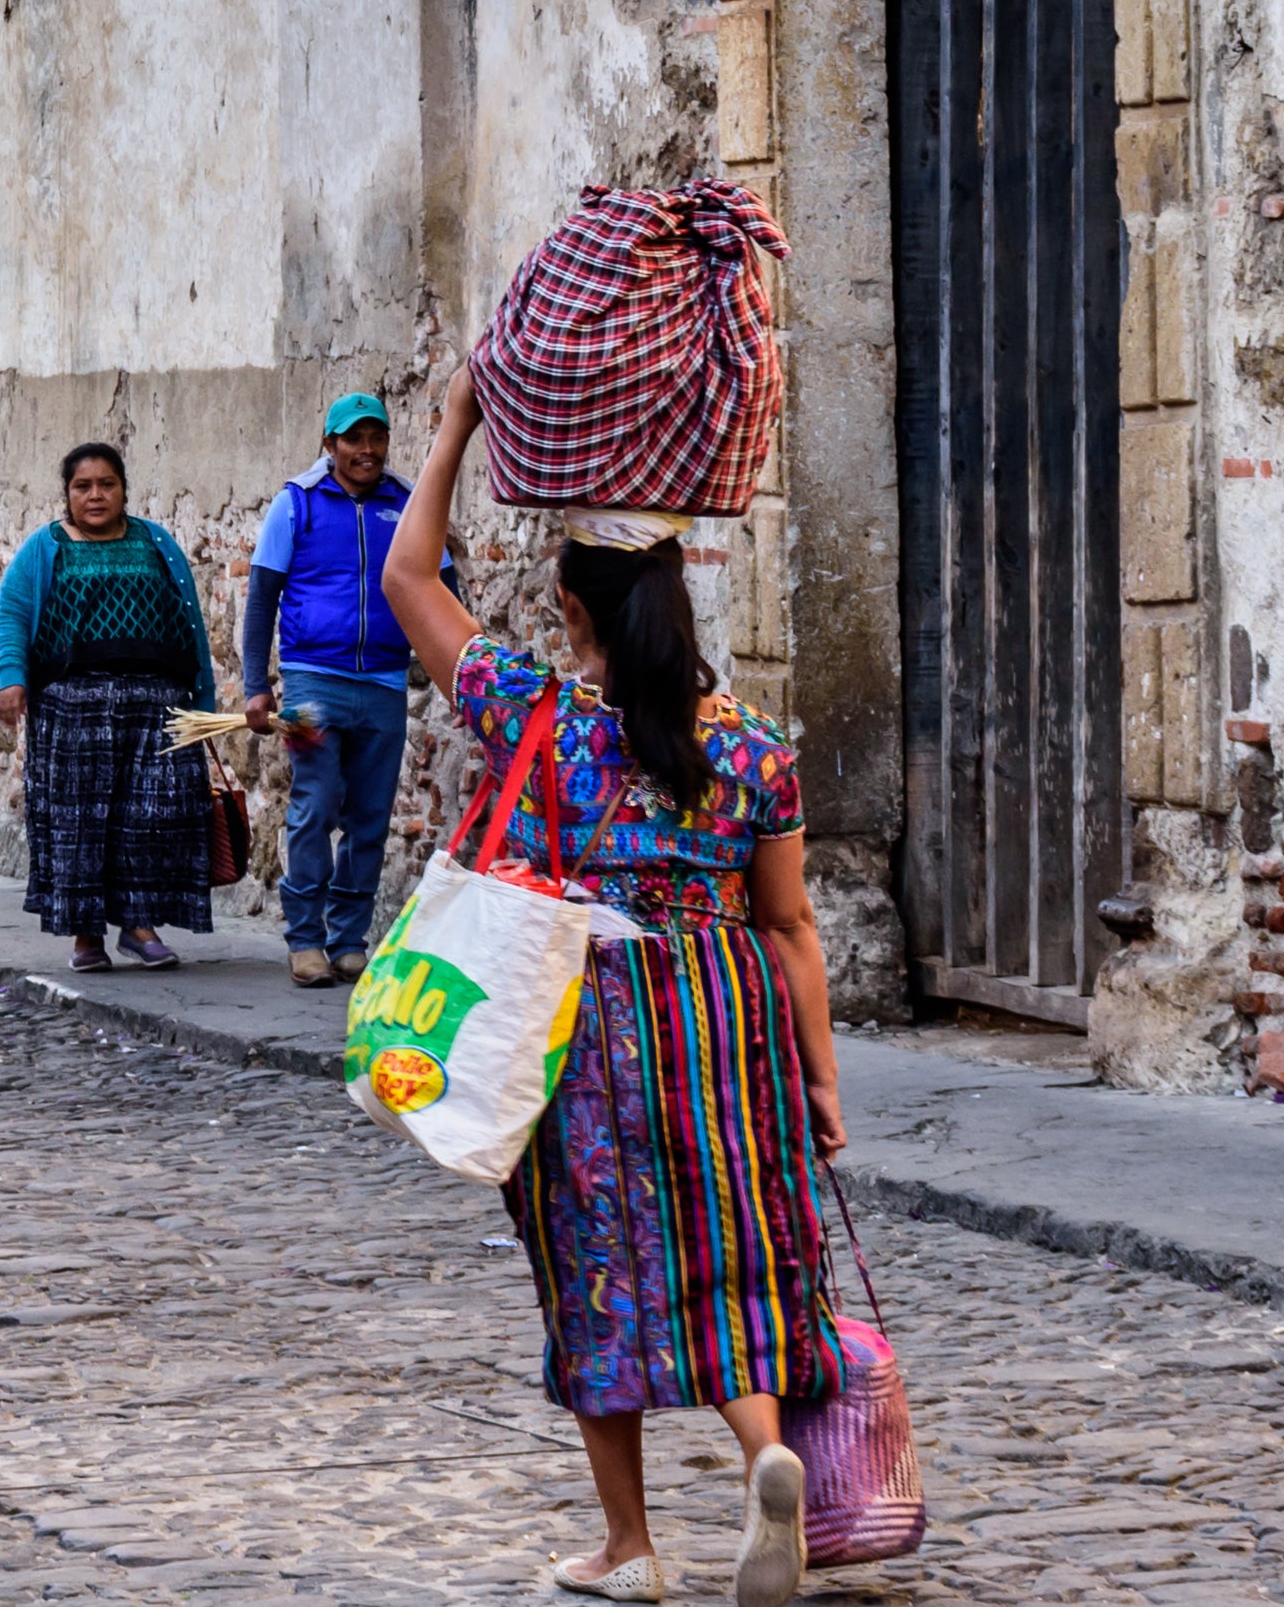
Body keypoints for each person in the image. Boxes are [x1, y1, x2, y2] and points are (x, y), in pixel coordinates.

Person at [384, 374, 841, 1607]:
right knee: (729, 1252)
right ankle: (765, 1455)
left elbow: (407, 581)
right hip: (724, 1016)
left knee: (596, 1260)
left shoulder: (535, 712)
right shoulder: (752, 751)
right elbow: (790, 924)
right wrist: (819, 1078)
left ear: (567, 607)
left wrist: (458, 425)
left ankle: (629, 1547)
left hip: (581, 1012)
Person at [0, 442, 219, 971]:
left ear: (124, 489)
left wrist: (201, 704)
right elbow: (13, 615)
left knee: (151, 819)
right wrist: (11, 679)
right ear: (67, 494)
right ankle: (86, 936)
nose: (95, 495)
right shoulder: (45, 548)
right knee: (79, 824)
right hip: (72, 711)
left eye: (106, 484)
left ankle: (138, 927)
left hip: (155, 708)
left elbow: (191, 626)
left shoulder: (156, 543)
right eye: (82, 486)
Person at [243, 392, 445, 988]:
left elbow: (441, 595)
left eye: (375, 438)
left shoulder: (407, 505)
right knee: (313, 806)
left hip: (382, 686)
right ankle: (305, 939)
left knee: (370, 817)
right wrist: (258, 685)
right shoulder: (297, 504)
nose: (366, 450)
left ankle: (349, 939)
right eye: (353, 440)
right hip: (310, 684)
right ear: (329, 446)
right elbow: (261, 601)